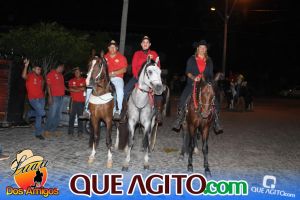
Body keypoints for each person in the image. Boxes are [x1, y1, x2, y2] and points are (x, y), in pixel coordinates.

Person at [172, 40, 223, 134]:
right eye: (201, 47)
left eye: (204, 48)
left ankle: (216, 121)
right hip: (192, 83)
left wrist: (209, 81)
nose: (202, 49)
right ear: (197, 48)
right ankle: (179, 119)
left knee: (215, 100)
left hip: (205, 84)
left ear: (206, 49)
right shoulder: (191, 59)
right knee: (183, 99)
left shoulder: (209, 60)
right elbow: (187, 72)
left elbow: (210, 74)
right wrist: (194, 77)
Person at [121, 35, 163, 124]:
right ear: (141, 44)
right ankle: (124, 111)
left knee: (159, 91)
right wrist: (137, 77)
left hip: (151, 78)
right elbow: (134, 66)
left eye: (147, 42)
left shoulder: (154, 54)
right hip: (138, 77)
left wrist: (153, 60)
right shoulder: (137, 53)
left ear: (150, 44)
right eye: (144, 42)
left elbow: (158, 67)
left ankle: (158, 112)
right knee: (125, 91)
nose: (145, 44)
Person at [22, 59, 46, 140]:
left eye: (40, 69)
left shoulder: (40, 77)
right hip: (33, 99)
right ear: (33, 69)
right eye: (38, 69)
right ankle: (29, 113)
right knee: (42, 113)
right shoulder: (30, 75)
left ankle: (38, 133)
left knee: (39, 115)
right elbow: (23, 76)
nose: (39, 71)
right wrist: (26, 66)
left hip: (41, 98)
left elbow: (42, 85)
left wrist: (41, 93)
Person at [104, 40, 128, 120]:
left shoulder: (121, 57)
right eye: (111, 47)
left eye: (114, 47)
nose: (112, 48)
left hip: (117, 78)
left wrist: (113, 73)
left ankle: (118, 110)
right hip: (106, 78)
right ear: (108, 48)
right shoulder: (104, 57)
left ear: (117, 48)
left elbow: (124, 69)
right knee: (92, 87)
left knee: (120, 90)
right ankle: (87, 109)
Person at [44, 63, 65, 137]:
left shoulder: (61, 75)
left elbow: (62, 86)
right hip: (54, 97)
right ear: (59, 66)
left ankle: (53, 130)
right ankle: (46, 130)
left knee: (58, 115)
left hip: (61, 97)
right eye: (62, 67)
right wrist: (50, 96)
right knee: (52, 114)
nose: (63, 69)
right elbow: (48, 86)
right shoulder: (51, 74)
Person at [68, 67, 86, 137]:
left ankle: (80, 131)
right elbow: (71, 89)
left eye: (78, 72)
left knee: (80, 117)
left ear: (80, 73)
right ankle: (70, 131)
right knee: (71, 116)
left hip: (81, 101)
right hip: (73, 101)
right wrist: (79, 89)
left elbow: (84, 88)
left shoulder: (84, 80)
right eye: (75, 72)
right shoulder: (71, 80)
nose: (76, 73)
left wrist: (75, 88)